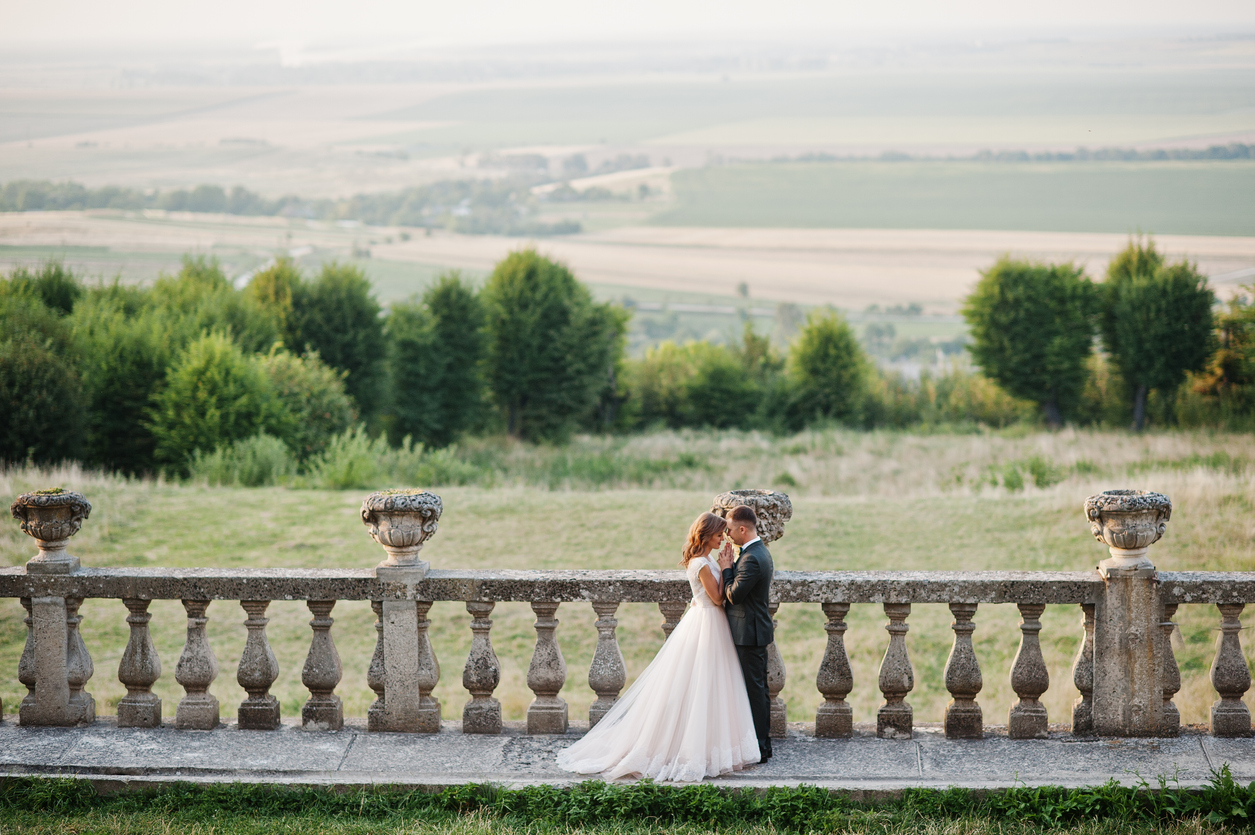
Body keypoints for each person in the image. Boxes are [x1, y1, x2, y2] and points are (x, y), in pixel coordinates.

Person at [556, 511, 760, 781]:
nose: (723, 538)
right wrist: (726, 568)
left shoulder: (706, 557)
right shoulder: (700, 563)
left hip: (712, 623)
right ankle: (687, 749)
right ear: (707, 535)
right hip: (706, 623)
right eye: (719, 534)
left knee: (713, 685)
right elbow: (718, 597)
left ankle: (712, 747)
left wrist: (722, 565)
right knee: (697, 685)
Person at [718, 504, 775, 762]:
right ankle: (761, 746)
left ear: (742, 529)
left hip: (748, 634)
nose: (727, 534)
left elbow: (733, 594)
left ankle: (760, 748)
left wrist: (726, 568)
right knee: (757, 691)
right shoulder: (757, 551)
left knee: (754, 693)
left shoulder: (752, 558)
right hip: (752, 631)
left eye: (729, 529)